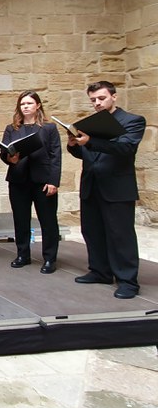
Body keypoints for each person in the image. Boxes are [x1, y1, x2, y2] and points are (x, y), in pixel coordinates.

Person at [66, 81, 146, 299]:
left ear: (114, 96)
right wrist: (74, 145)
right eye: (93, 100)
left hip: (117, 187)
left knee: (121, 235)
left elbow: (125, 149)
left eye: (101, 98)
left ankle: (128, 281)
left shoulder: (133, 121)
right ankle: (100, 271)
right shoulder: (89, 123)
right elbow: (87, 154)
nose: (97, 103)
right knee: (92, 231)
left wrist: (91, 141)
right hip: (92, 185)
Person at [0, 91, 61, 274]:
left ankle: (50, 258)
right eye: (22, 104)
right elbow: (4, 152)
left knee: (48, 220)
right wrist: (10, 159)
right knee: (21, 219)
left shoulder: (49, 128)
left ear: (38, 106)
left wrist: (53, 181)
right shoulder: (12, 128)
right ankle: (23, 254)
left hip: (42, 179)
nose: (25, 106)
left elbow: (55, 156)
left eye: (29, 103)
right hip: (18, 179)